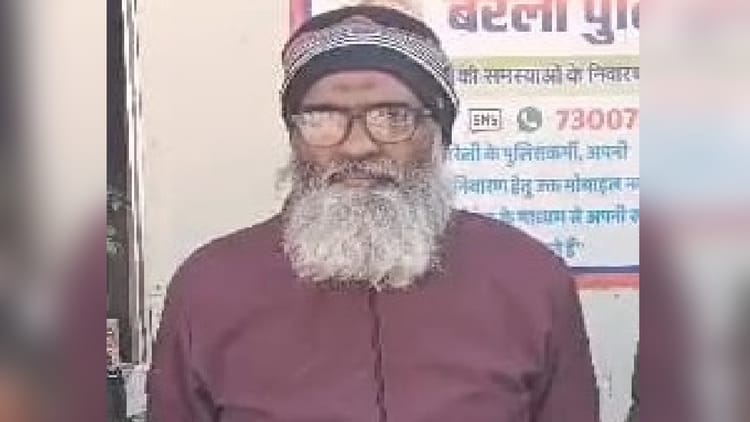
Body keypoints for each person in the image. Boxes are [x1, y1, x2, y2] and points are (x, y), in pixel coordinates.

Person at [148, 6, 598, 421]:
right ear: (294, 137)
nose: (357, 146)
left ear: (439, 135)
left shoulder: (529, 279)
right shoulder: (210, 288)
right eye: (323, 118)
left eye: (393, 117)